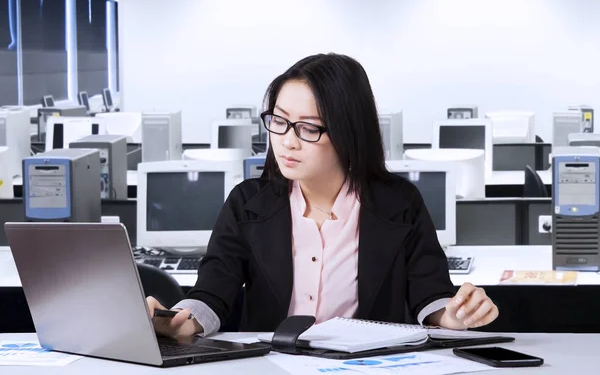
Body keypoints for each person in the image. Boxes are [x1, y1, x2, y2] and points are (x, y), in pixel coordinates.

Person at [147, 53, 499, 337]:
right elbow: (212, 293)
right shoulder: (247, 204)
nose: (287, 140)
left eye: (308, 128)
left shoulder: (399, 203)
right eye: (279, 121)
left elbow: (430, 293)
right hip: (274, 366)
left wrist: (453, 315)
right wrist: (181, 320)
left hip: (369, 367)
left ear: (348, 132)